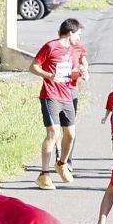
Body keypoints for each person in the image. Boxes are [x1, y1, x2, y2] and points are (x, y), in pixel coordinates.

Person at [29, 19, 87, 189]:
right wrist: (49, 76)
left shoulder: (73, 51)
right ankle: (44, 175)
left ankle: (61, 164)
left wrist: (81, 73)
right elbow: (33, 67)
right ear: (70, 32)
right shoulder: (51, 46)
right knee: (53, 133)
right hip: (50, 95)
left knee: (71, 135)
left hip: (67, 96)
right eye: (78, 34)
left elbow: (71, 74)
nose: (79, 38)